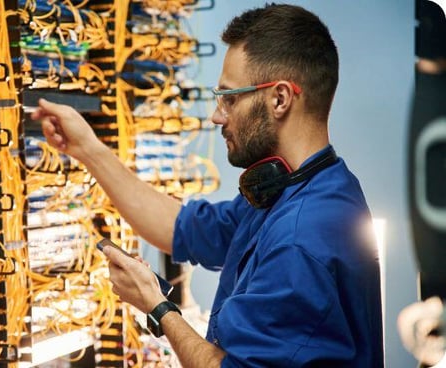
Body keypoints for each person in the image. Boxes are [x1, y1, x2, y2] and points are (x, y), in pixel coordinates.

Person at [32, 3, 383, 367]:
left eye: (230, 99)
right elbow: (183, 229)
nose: (217, 115)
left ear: (280, 98)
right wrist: (88, 149)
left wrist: (158, 307)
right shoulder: (299, 190)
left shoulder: (300, 238)